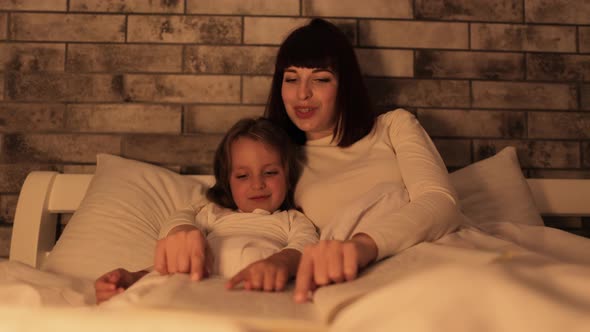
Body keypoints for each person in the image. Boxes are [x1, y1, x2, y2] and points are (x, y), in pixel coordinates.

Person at [155, 18, 462, 303]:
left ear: (345, 85)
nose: (302, 94)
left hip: (426, 255)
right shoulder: (278, 156)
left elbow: (440, 201)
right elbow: (207, 207)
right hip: (352, 282)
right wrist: (180, 230)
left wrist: (362, 247)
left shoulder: (393, 126)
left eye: (321, 79)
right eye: (291, 79)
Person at [95, 117, 319, 304]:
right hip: (192, 292)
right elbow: (178, 244)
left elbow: (305, 246)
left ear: (288, 178)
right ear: (227, 182)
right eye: (242, 176)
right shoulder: (212, 214)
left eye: (270, 173)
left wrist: (280, 263)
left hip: (254, 296)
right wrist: (136, 277)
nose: (257, 184)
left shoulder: (292, 219)